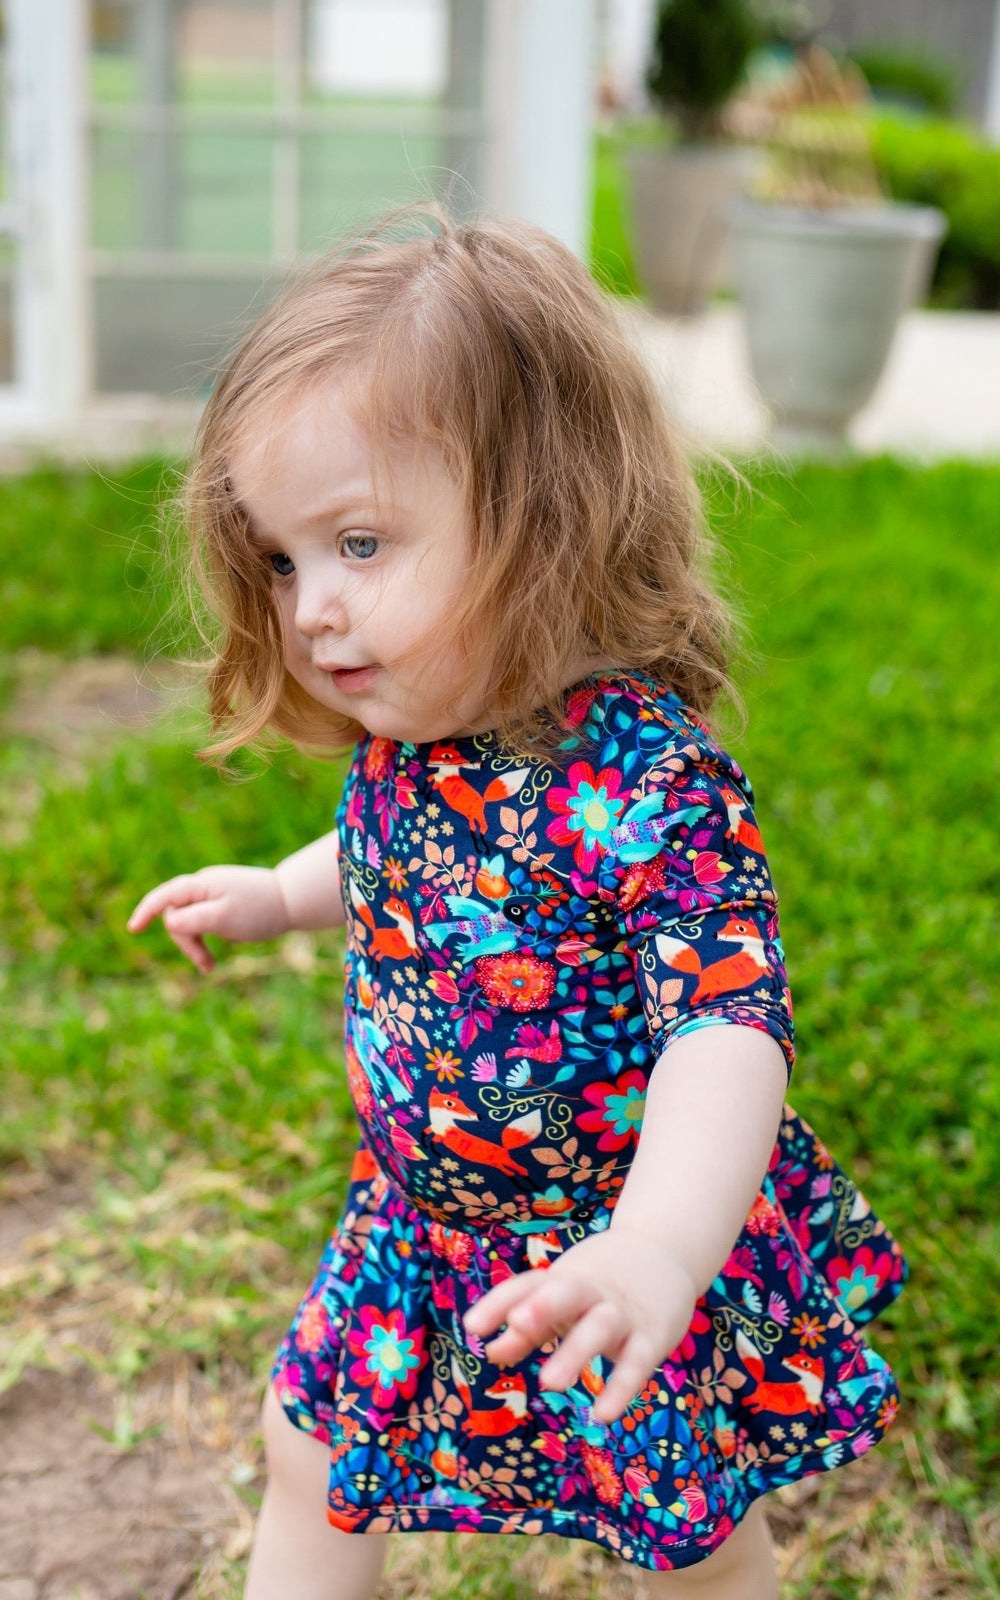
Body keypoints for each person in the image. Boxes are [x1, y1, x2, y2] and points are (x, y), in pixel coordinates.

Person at [128, 212, 906, 1599]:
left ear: (549, 518)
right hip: (419, 1233)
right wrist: (279, 895)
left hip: (613, 1238)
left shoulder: (654, 782)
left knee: (690, 1533)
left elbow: (727, 1026)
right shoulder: (413, 746)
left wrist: (659, 1247)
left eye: (360, 543)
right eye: (285, 560)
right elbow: (390, 858)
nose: (308, 610)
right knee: (308, 1457)